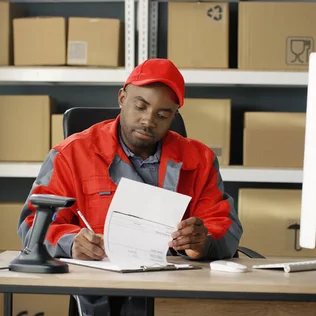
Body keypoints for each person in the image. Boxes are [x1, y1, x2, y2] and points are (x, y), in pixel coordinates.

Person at [17, 58, 243, 316]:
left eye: (162, 114)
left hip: (175, 296)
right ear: (122, 98)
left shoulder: (199, 159)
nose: (148, 121)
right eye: (140, 106)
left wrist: (204, 242)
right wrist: (71, 242)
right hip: (101, 295)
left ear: (174, 115)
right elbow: (34, 224)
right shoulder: (70, 154)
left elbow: (224, 223)